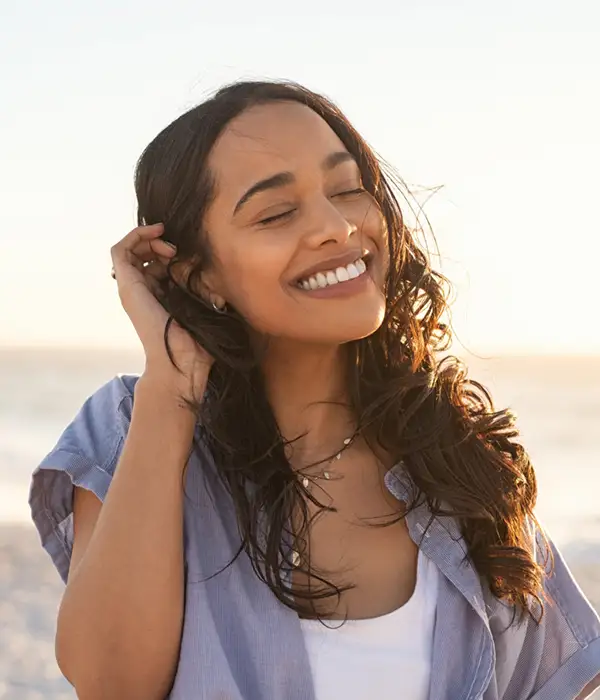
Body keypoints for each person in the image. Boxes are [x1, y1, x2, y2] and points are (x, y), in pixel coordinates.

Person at [29, 80, 600, 700]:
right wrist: (171, 385)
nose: (335, 227)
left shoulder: (463, 461)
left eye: (347, 189)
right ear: (203, 277)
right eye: (276, 213)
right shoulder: (132, 427)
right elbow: (111, 685)